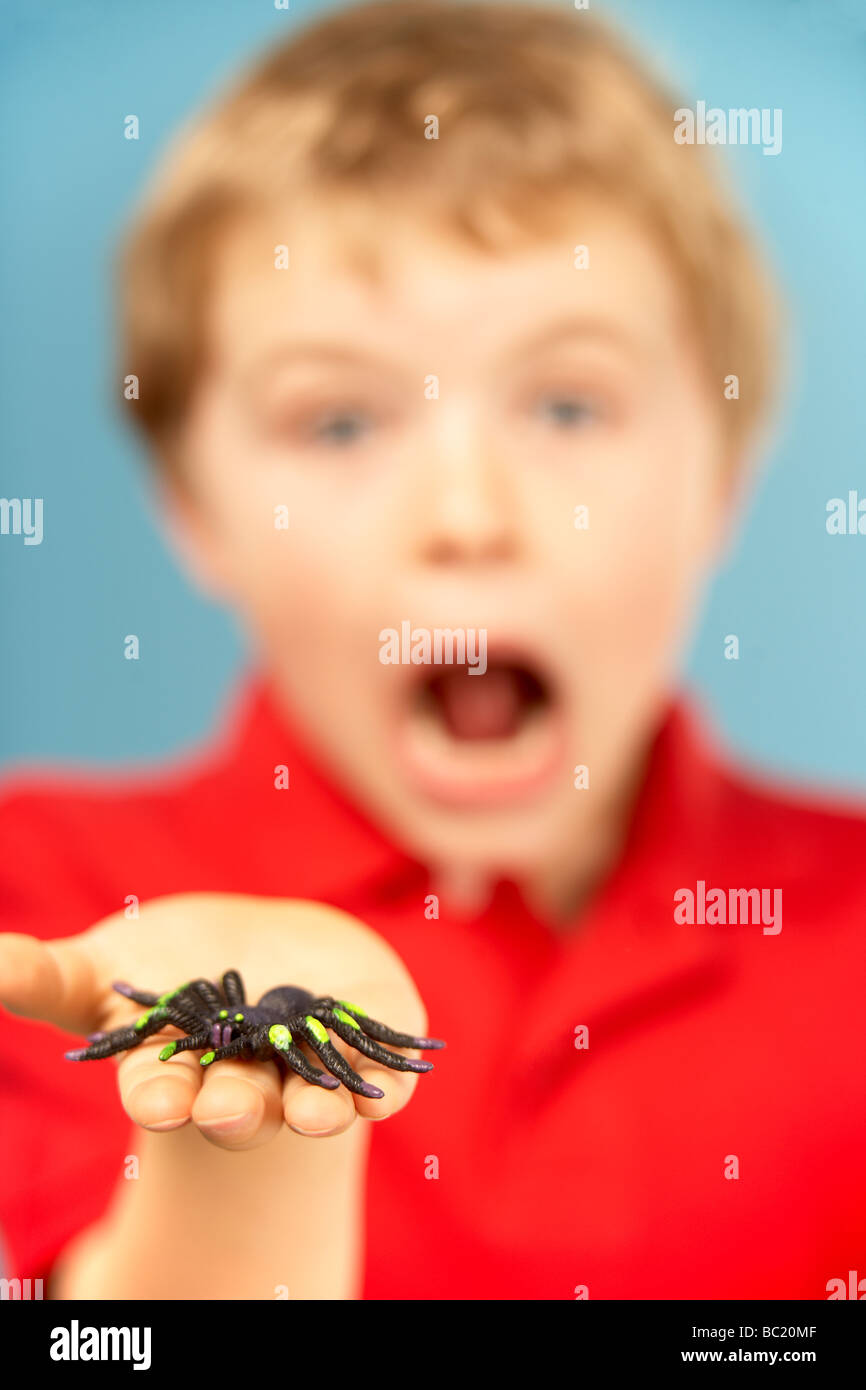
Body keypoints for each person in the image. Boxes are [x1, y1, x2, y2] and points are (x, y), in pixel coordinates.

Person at [1, 0, 863, 1300]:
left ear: (725, 474)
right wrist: (255, 1142)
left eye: (568, 402)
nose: (466, 517)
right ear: (194, 510)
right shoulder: (47, 900)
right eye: (339, 423)